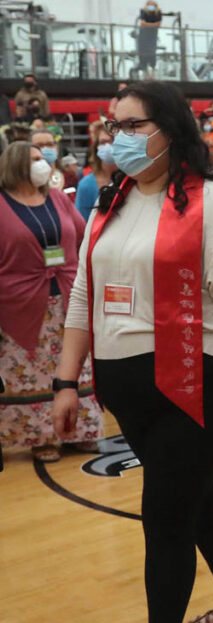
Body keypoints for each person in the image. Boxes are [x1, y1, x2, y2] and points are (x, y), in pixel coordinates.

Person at [52, 81, 213, 623]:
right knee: (195, 501)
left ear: (169, 131)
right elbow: (84, 294)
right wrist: (65, 380)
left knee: (165, 517)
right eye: (111, 126)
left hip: (195, 388)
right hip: (130, 395)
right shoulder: (109, 202)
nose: (116, 138)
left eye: (131, 126)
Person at [0, 142, 102, 463]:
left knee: (77, 366)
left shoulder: (57, 197)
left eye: (42, 158)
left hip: (69, 295)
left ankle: (80, 431)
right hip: (22, 302)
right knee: (31, 371)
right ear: (15, 164)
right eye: (33, 159)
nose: (42, 163)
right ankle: (40, 436)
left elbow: (83, 233)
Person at [76, 121, 117, 219]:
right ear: (96, 147)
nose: (108, 146)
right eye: (103, 142)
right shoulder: (86, 185)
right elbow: (82, 223)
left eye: (112, 141)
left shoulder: (132, 177)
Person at [136, 2, 163, 78]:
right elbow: (143, 23)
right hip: (143, 36)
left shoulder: (158, 13)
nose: (151, 6)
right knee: (143, 54)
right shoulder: (143, 11)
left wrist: (148, 24)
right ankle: (146, 74)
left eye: (153, 5)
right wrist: (152, 25)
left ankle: (153, 74)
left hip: (152, 37)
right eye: (149, 5)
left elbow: (158, 24)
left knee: (152, 54)